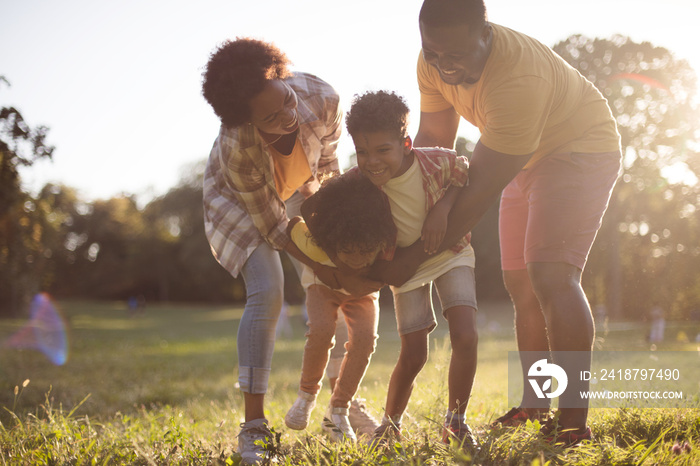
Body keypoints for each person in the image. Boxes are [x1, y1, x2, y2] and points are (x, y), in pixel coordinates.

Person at [374, 0, 622, 446]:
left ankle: (572, 425)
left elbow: (476, 195)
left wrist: (408, 260)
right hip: (523, 158)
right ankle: (534, 404)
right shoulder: (433, 60)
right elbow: (433, 146)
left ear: (485, 34)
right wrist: (398, 219)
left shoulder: (517, 79)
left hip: (578, 148)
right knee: (520, 282)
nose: (444, 67)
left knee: (552, 274)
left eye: (456, 55)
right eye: (434, 53)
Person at [201, 38, 345, 464]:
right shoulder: (237, 145)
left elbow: (327, 173)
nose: (289, 116)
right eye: (271, 117)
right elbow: (274, 228)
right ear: (247, 121)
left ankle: (342, 405)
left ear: (285, 77)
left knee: (330, 286)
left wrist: (333, 254)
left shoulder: (321, 98)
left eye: (286, 100)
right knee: (268, 289)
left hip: (301, 188)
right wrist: (318, 260)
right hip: (239, 200)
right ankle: (254, 428)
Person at [347, 91, 479, 448]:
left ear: (406, 143)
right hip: (404, 266)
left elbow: (463, 169)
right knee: (414, 353)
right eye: (362, 152)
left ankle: (456, 421)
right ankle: (390, 425)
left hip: (450, 252)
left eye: (382, 150)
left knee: (465, 335)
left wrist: (443, 208)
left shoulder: (434, 161)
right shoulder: (360, 185)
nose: (372, 161)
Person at [284, 172, 396, 442]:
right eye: (349, 252)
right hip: (323, 285)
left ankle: (339, 408)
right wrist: (320, 267)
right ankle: (306, 397)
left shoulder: (382, 240)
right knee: (322, 331)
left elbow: (391, 269)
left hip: (362, 292)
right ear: (332, 243)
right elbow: (290, 232)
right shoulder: (319, 241)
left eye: (364, 253)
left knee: (366, 340)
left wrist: (370, 279)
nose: (357, 260)